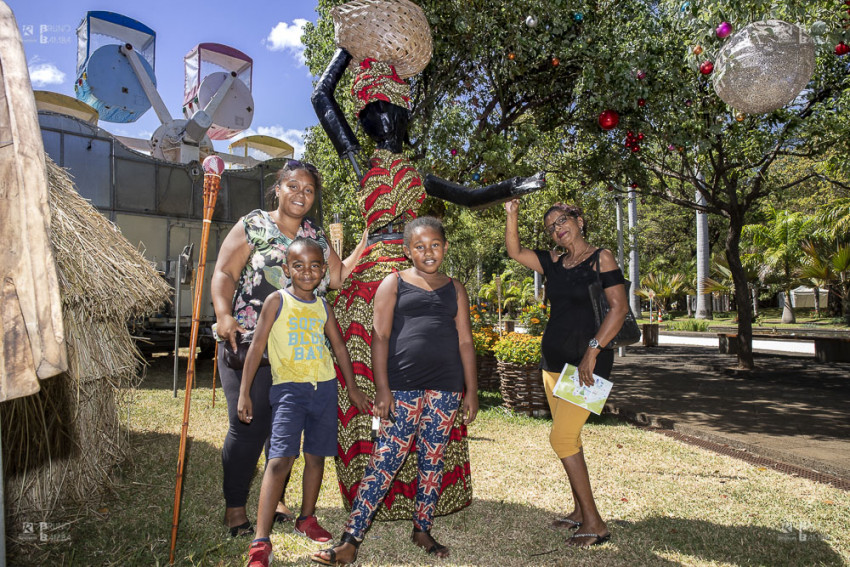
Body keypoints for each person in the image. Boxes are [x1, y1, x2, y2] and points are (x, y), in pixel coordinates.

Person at [311, 2, 543, 520]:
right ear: (368, 119)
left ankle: (427, 493)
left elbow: (470, 195)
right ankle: (375, 486)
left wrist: (514, 186)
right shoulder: (358, 159)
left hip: (419, 270)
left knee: (432, 362)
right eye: (374, 109)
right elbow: (322, 97)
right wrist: (350, 46)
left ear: (403, 117)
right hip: (373, 271)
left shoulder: (419, 176)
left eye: (391, 108)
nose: (382, 114)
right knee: (366, 364)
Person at [211, 160, 366, 537]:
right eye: (293, 186)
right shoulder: (254, 224)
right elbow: (224, 273)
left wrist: (365, 242)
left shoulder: (315, 234)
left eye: (308, 189)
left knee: (286, 429)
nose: (300, 194)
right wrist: (222, 314)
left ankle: (276, 498)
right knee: (249, 426)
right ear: (277, 188)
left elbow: (338, 277)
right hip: (250, 344)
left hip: (298, 354)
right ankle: (235, 508)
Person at [311, 216, 479, 565]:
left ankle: (422, 528)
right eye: (420, 246)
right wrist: (383, 389)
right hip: (403, 387)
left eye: (435, 245)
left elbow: (465, 341)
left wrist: (471, 391)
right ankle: (350, 540)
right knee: (385, 459)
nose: (428, 252)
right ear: (407, 251)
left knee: (432, 459)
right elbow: (381, 337)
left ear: (445, 247)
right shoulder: (394, 282)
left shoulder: (456, 288)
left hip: (447, 387)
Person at [504, 199, 628, 547]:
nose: (558, 228)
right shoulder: (553, 263)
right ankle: (578, 510)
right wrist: (512, 212)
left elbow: (618, 309)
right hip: (553, 365)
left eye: (563, 220)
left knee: (560, 438)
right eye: (551, 226)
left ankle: (595, 523)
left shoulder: (600, 258)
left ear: (579, 219)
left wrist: (592, 351)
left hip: (587, 367)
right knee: (570, 439)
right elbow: (514, 251)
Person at [240, 238, 371, 567]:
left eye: (315, 266)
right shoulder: (276, 301)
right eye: (298, 266)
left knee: (316, 457)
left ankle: (306, 518)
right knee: (279, 459)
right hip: (289, 391)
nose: (307, 272)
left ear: (324, 272)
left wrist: (352, 388)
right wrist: (244, 392)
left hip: (324, 389)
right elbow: (256, 348)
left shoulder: (323, 306)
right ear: (286, 269)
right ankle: (261, 538)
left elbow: (339, 348)